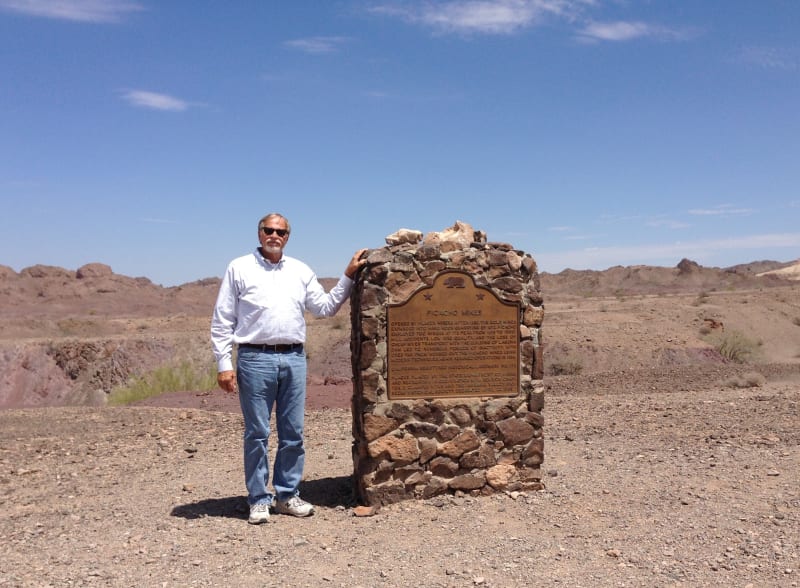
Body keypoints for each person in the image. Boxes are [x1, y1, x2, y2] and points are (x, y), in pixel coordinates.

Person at [211, 212, 366, 524]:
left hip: (294, 359)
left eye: (280, 232)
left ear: (287, 237)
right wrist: (224, 363)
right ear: (259, 234)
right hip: (254, 359)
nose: (274, 236)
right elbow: (223, 319)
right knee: (257, 432)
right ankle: (258, 499)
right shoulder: (238, 268)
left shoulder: (300, 270)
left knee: (292, 433)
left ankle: (286, 494)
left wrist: (348, 276)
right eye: (268, 230)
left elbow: (324, 307)